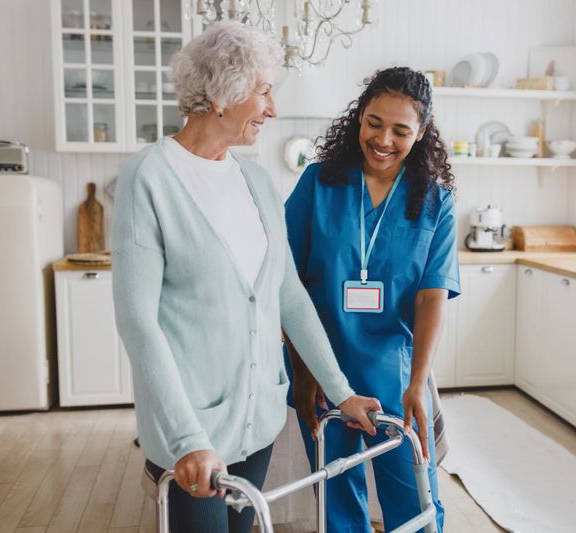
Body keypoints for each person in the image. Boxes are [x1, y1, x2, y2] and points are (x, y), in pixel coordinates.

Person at [111, 20, 381, 533]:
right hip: (193, 432)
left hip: (258, 423)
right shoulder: (148, 177)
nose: (273, 108)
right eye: (264, 92)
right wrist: (189, 438)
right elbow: (137, 321)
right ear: (222, 94)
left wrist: (341, 392)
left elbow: (290, 297)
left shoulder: (256, 181)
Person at [285, 67, 460, 533]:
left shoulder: (436, 202)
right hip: (324, 370)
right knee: (338, 504)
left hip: (395, 375)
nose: (382, 139)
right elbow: (285, 282)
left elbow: (431, 297)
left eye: (400, 130)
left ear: (420, 134)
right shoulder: (318, 183)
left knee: (417, 500)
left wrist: (418, 384)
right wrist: (304, 372)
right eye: (373, 123)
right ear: (358, 119)